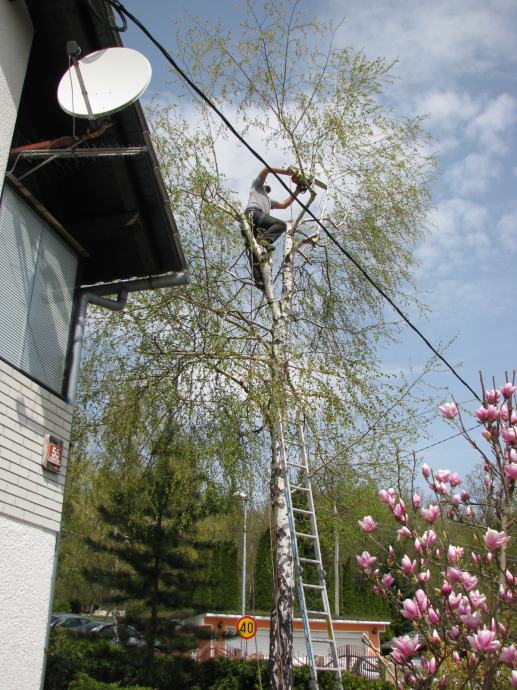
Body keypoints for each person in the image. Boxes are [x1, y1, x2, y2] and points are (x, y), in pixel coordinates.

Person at [244, 167, 303, 289]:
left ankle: (259, 281)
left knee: (255, 250)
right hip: (253, 214)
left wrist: (297, 190)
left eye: (267, 189)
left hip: (255, 222)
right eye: (265, 187)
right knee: (280, 225)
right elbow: (266, 169)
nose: (266, 190)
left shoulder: (269, 201)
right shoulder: (256, 187)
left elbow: (284, 204)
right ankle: (263, 240)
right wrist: (287, 172)